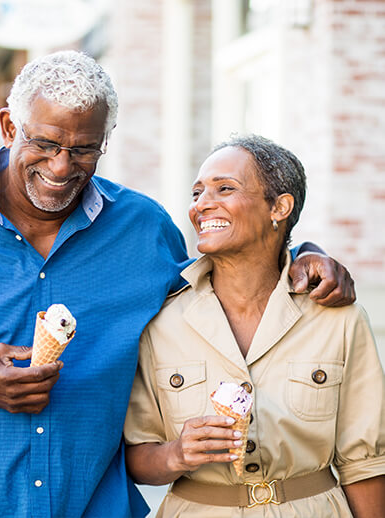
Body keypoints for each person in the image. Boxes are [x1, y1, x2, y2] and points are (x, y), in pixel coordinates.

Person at [0, 51, 355, 518]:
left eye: (84, 150)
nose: (62, 167)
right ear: (9, 127)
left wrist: (300, 254)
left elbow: (222, 287)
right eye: (46, 143)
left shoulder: (142, 229)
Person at [124, 134, 385, 517]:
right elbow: (135, 455)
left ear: (279, 207)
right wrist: (177, 454)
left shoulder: (339, 319)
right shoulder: (161, 321)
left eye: (225, 188)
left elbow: (365, 462)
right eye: (197, 193)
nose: (202, 205)